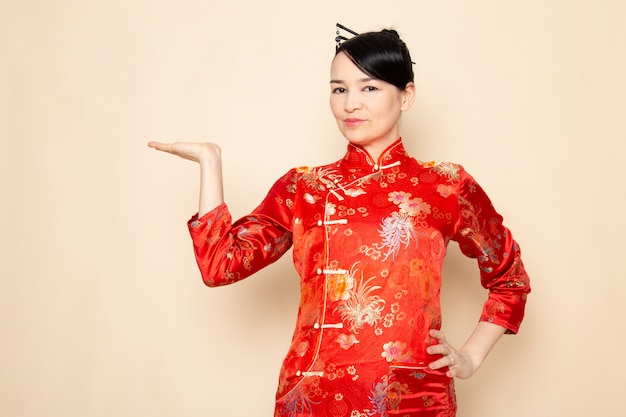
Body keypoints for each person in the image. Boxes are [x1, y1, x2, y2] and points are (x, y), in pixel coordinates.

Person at [148, 25, 530, 417]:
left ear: (407, 95)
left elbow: (510, 280)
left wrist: (469, 358)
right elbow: (219, 264)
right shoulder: (304, 187)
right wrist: (210, 162)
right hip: (312, 396)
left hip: (416, 399)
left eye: (369, 88)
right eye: (339, 89)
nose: (351, 104)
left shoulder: (446, 186)